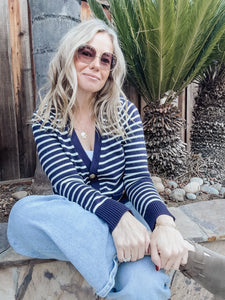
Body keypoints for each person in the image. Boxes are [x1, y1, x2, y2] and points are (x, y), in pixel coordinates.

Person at [7, 18, 225, 299]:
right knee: (23, 216)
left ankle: (140, 247)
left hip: (124, 226)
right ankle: (176, 253)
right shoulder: (46, 119)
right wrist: (119, 219)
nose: (96, 63)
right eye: (86, 52)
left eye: (106, 59)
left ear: (111, 69)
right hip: (73, 219)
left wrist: (164, 223)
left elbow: (137, 179)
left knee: (144, 287)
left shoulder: (125, 113)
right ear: (68, 55)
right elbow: (67, 184)